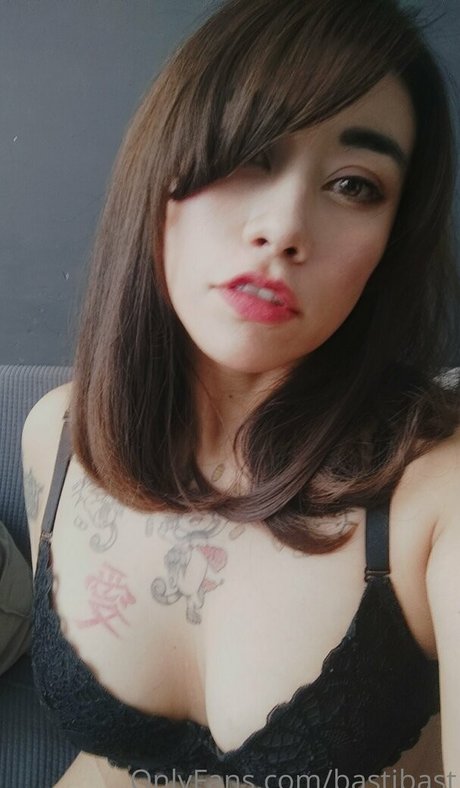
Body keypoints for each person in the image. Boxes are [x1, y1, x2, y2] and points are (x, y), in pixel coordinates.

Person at [22, 0, 460, 785]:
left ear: (391, 243)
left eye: (354, 185)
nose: (284, 226)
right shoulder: (57, 437)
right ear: (160, 175)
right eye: (250, 153)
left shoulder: (440, 495)